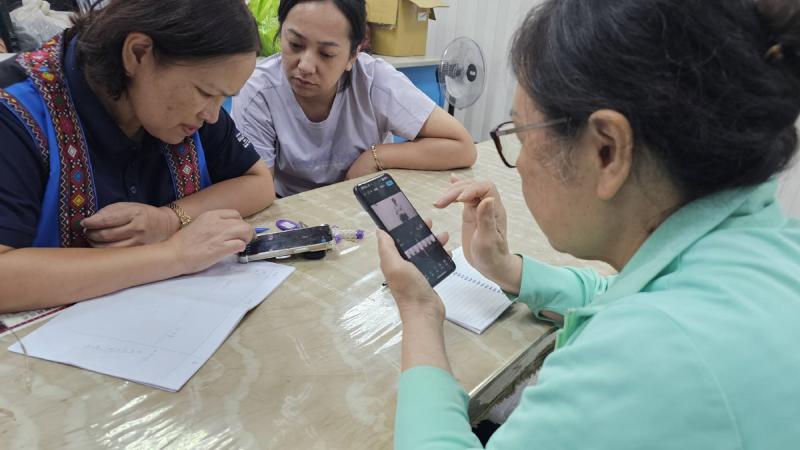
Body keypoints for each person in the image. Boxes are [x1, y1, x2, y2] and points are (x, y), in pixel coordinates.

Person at [376, 0, 800, 448]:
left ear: (607, 151)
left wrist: (420, 311)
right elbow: (615, 296)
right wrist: (506, 269)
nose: (516, 167)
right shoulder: (764, 245)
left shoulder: (648, 356)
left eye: (520, 133)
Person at [0, 0, 276, 313]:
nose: (213, 115)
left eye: (224, 97)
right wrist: (172, 256)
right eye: (205, 92)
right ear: (138, 54)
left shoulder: (189, 110)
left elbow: (258, 182)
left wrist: (169, 218)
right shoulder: (15, 109)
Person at [232, 0, 477, 197]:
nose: (305, 66)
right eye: (295, 44)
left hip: (364, 204)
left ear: (353, 55)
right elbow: (258, 192)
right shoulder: (258, 90)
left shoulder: (374, 80)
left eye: (326, 54)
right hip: (292, 213)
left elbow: (462, 147)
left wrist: (375, 156)